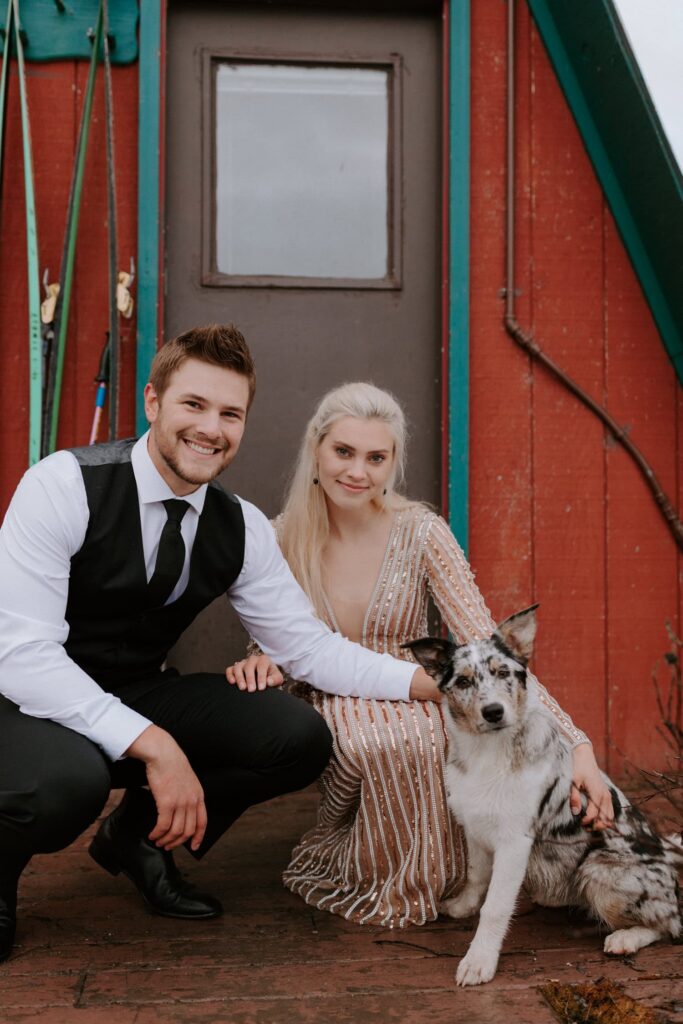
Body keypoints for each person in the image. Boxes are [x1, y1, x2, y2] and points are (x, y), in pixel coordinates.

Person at [0, 327, 444, 964]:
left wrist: (427, 683)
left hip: (131, 687)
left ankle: (138, 838)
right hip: (21, 702)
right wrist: (155, 746)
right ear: (153, 403)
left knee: (297, 737)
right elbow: (22, 658)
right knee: (69, 784)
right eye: (194, 405)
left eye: (230, 414)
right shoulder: (63, 485)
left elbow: (308, 650)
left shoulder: (238, 527)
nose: (212, 428)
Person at [227, 382, 614, 929]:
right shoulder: (278, 538)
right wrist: (259, 659)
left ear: (392, 463)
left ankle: (463, 878)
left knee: (448, 732)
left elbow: (488, 647)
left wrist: (578, 743)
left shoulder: (421, 533)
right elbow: (271, 641)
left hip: (417, 680)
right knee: (385, 740)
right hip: (327, 688)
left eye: (376, 457)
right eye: (343, 452)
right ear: (316, 449)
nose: (357, 471)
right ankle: (383, 875)